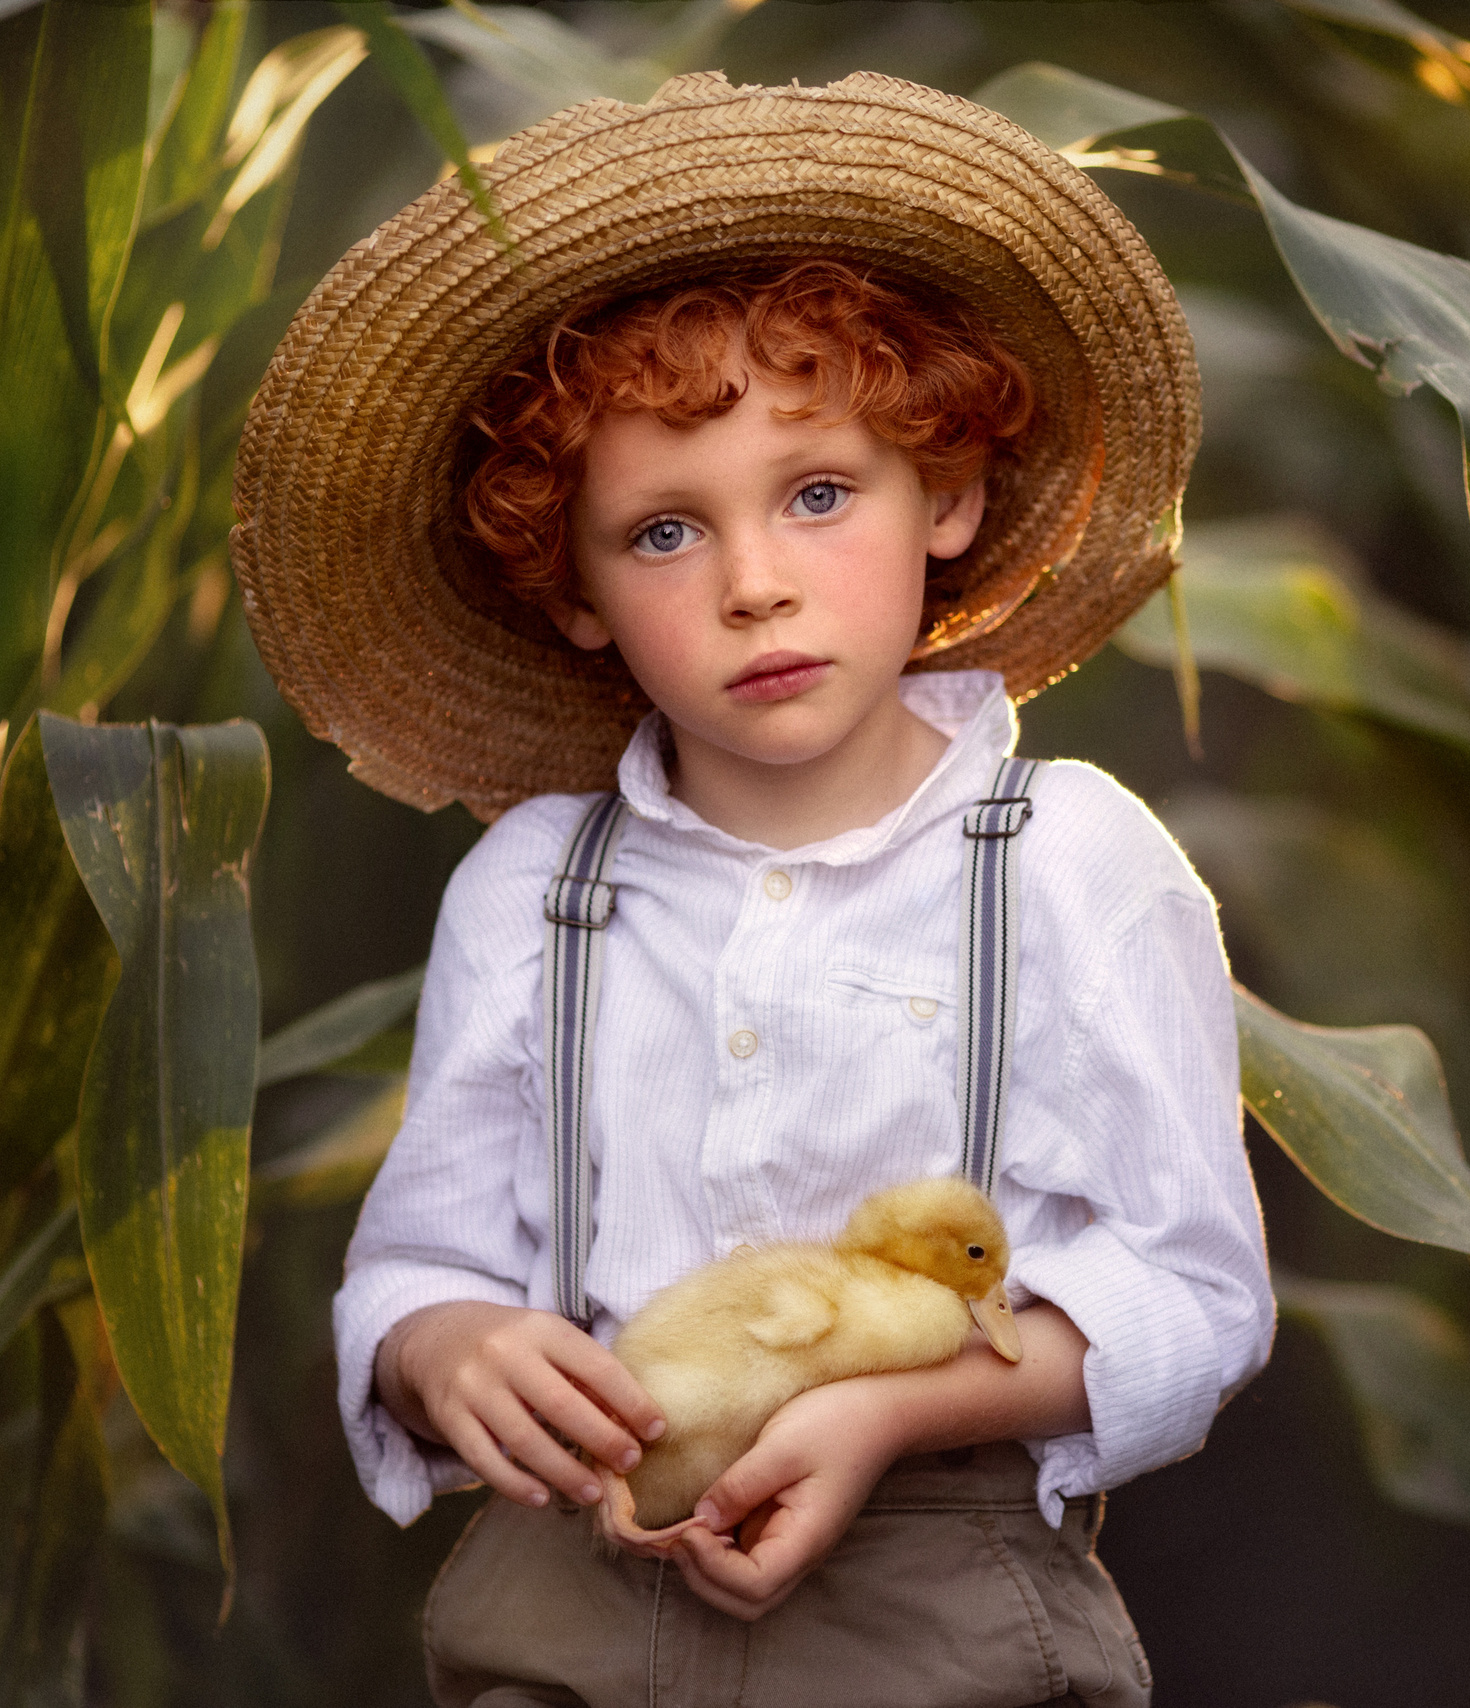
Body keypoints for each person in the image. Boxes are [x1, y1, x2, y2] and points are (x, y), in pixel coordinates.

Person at [230, 70, 1272, 1708]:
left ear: (948, 494)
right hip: (575, 1600)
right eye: (659, 533)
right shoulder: (535, 894)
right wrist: (444, 1352)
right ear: (571, 592)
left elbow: (1196, 1296)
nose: (752, 583)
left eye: (818, 492)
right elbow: (420, 1262)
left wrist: (893, 1409)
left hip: (944, 1620)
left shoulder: (1070, 864)